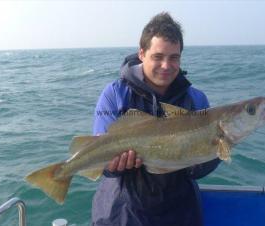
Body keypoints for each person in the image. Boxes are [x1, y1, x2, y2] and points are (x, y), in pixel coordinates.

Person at [91, 12, 221, 226]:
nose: (166, 65)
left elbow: (198, 171)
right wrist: (113, 165)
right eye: (158, 57)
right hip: (122, 213)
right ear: (142, 53)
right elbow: (101, 155)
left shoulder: (196, 99)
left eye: (174, 57)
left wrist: (216, 149)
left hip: (179, 213)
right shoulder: (114, 94)